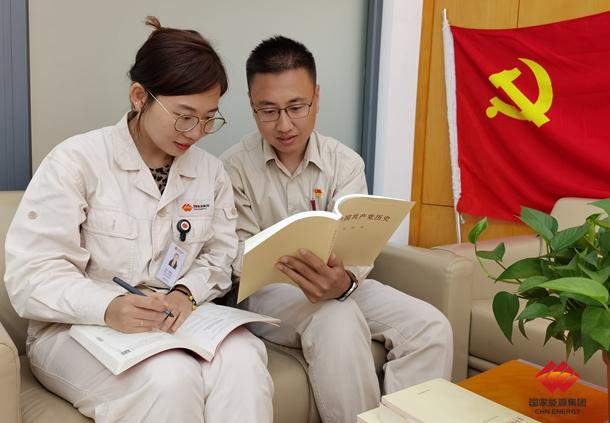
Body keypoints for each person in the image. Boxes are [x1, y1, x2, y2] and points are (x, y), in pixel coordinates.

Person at [4, 17, 273, 423]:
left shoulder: (210, 172)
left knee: (245, 356)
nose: (196, 132)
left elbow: (219, 254)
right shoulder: (76, 161)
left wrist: (185, 293)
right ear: (138, 96)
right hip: (75, 329)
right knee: (170, 377)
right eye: (184, 115)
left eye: (208, 118)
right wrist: (109, 307)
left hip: (173, 319)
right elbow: (32, 275)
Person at [221, 36, 453, 423]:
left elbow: (357, 247)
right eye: (268, 111)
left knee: (430, 326)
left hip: (340, 283)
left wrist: (344, 281)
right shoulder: (232, 168)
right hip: (268, 294)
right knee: (335, 318)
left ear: (316, 97)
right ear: (251, 104)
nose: (284, 124)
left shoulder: (344, 163)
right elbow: (236, 258)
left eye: (296, 107)